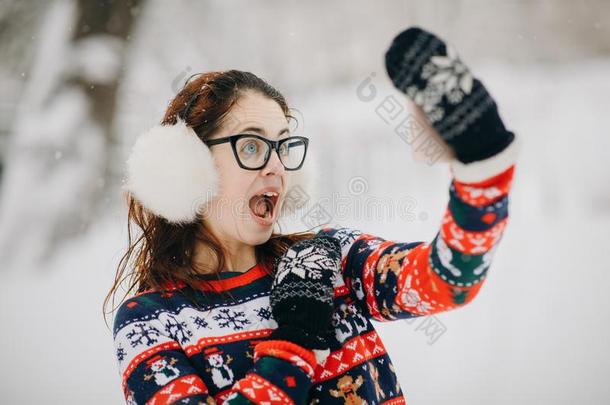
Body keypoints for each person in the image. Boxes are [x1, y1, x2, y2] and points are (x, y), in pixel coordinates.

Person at [105, 26, 520, 404]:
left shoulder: (328, 258)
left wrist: (483, 170)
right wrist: (296, 343)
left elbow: (448, 280)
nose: (276, 168)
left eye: (283, 147)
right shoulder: (150, 322)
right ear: (189, 165)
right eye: (251, 147)